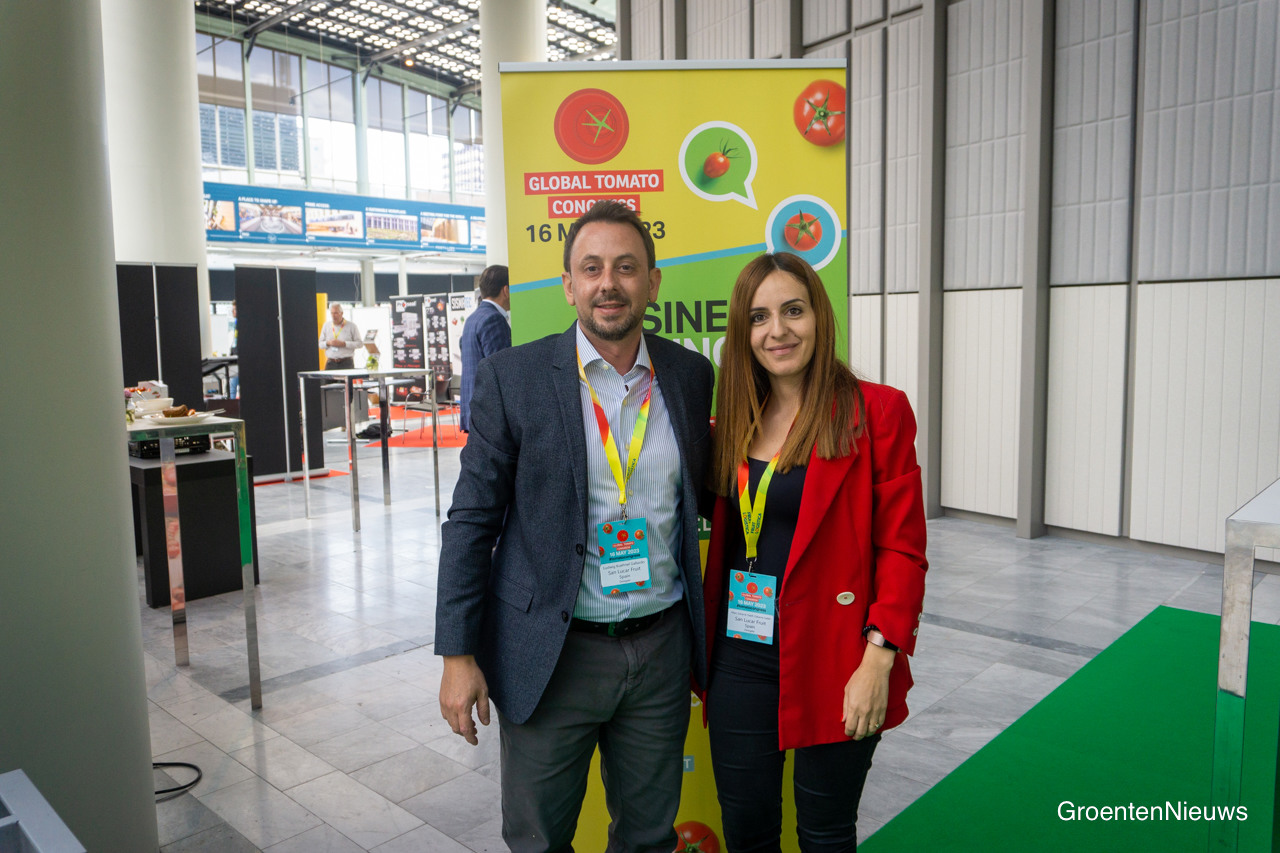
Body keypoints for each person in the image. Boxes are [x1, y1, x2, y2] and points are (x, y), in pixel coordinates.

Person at [435, 200, 714, 853]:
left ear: (652, 281)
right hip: (551, 652)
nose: (607, 283)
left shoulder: (690, 375)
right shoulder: (514, 378)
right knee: (538, 839)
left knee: (649, 836)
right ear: (568, 285)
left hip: (661, 651)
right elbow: (471, 521)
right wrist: (457, 654)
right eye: (591, 268)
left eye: (625, 267)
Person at [702, 252, 927, 852]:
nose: (777, 330)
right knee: (747, 833)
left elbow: (903, 550)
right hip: (740, 657)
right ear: (742, 332)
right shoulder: (732, 422)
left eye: (793, 311)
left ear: (819, 316)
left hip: (838, 655)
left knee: (826, 834)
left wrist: (878, 661)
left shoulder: (877, 412)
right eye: (759, 317)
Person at [458, 264, 512, 432]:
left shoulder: (472, 319)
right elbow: (501, 369)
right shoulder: (493, 319)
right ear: (506, 290)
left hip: (473, 409)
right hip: (488, 413)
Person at [319, 302, 362, 369]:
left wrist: (344, 344)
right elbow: (320, 344)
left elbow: (360, 344)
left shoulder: (351, 326)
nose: (333, 316)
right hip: (331, 363)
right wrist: (328, 343)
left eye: (336, 313)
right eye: (332, 313)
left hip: (346, 363)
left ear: (341, 313)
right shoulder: (326, 326)